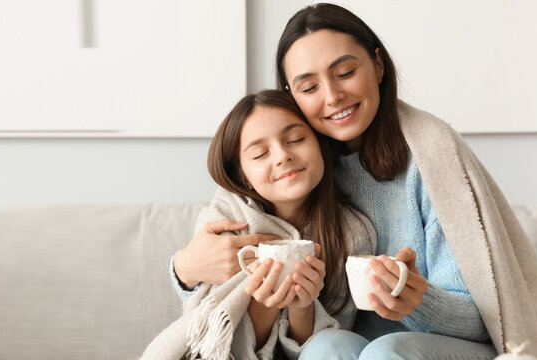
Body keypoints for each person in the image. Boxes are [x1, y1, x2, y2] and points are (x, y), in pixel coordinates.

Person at [173, 3, 537, 359]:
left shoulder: (429, 153)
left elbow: (492, 315)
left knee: (387, 351)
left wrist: (419, 300)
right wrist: (183, 268)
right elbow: (217, 286)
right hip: (350, 349)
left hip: (448, 347)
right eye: (310, 86)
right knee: (323, 349)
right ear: (290, 95)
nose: (332, 96)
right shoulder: (292, 165)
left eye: (346, 72)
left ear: (378, 66)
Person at [146, 90, 374, 360]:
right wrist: (262, 305)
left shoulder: (353, 232)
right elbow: (206, 326)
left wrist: (302, 309)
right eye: (259, 154)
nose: (282, 156)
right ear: (242, 175)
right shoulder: (224, 218)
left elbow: (332, 348)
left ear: (319, 143)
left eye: (296, 139)